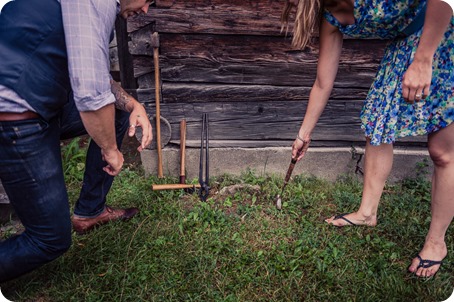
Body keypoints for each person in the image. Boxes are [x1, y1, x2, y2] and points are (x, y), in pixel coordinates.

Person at [282, 0, 453, 278]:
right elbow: (323, 82)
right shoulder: (331, 15)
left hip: (442, 34)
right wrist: (304, 134)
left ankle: (436, 243)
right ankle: (366, 212)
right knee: (378, 122)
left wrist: (423, 60)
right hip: (404, 46)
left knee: (442, 150)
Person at [0, 0, 153, 282]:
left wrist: (132, 105)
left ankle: (89, 212)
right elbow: (91, 95)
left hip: (35, 100)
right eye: (150, 0)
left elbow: (93, 73)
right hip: (14, 114)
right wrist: (111, 150)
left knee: (118, 113)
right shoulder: (97, 2)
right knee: (49, 239)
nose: (146, 10)